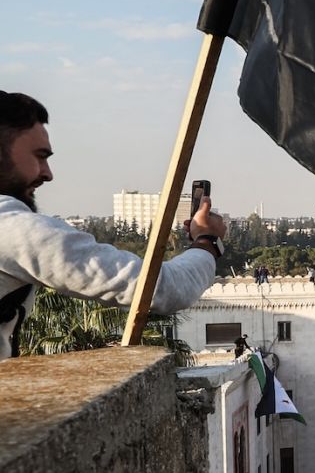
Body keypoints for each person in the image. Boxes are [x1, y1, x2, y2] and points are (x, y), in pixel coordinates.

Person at [0, 91, 226, 359]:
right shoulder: (10, 228)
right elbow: (158, 288)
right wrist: (207, 243)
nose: (47, 173)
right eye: (39, 156)